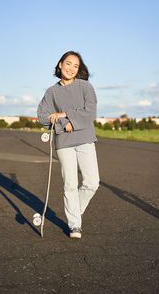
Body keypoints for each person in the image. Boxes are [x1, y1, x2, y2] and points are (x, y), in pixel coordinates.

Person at [37, 51, 100, 239]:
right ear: (60, 64)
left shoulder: (86, 86)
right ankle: (75, 225)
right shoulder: (51, 91)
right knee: (70, 185)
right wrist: (66, 124)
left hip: (86, 139)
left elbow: (90, 113)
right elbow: (42, 117)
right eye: (68, 63)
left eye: (76, 66)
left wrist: (65, 115)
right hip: (64, 142)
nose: (71, 68)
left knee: (92, 183)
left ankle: (74, 212)